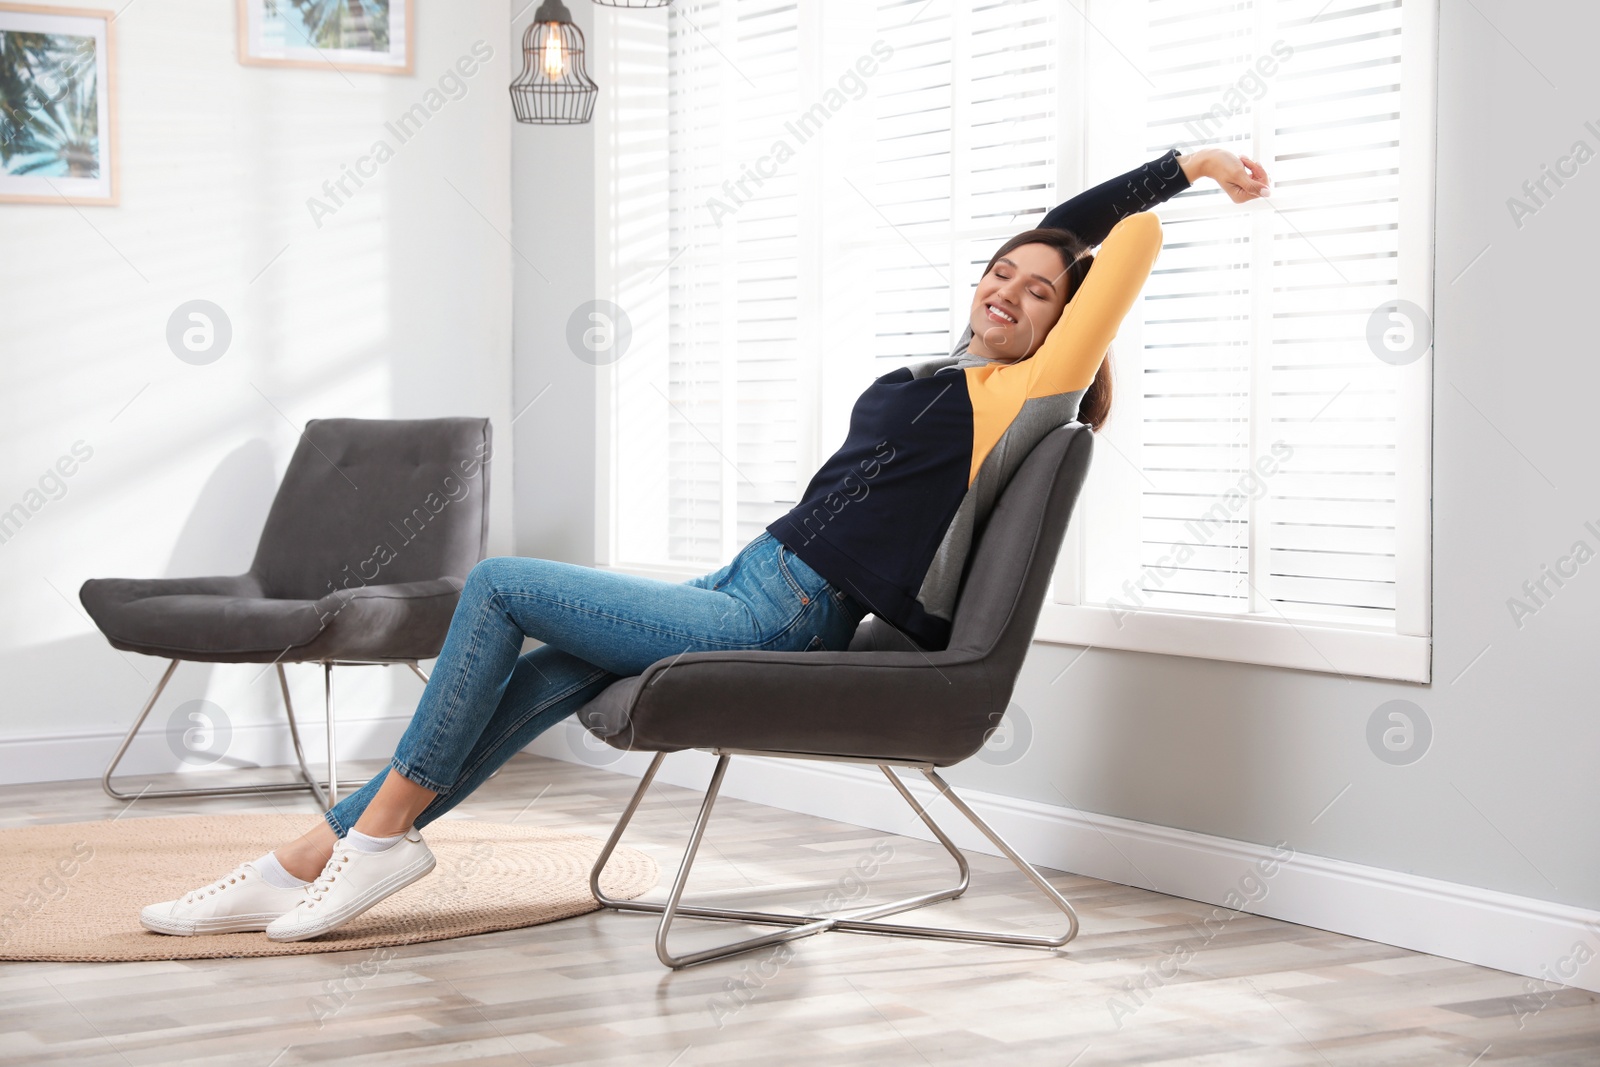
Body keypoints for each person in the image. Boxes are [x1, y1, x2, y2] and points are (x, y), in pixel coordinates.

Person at [139, 146, 1270, 942]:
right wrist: (1053, 244)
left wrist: (1190, 165)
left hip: (786, 613)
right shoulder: (951, 370)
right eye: (1001, 272)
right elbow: (1056, 240)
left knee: (496, 581)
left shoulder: (1031, 390)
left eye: (1038, 291)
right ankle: (307, 855)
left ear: (1063, 323)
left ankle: (372, 842)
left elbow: (1102, 241)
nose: (1010, 293)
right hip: (747, 576)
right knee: (537, 676)